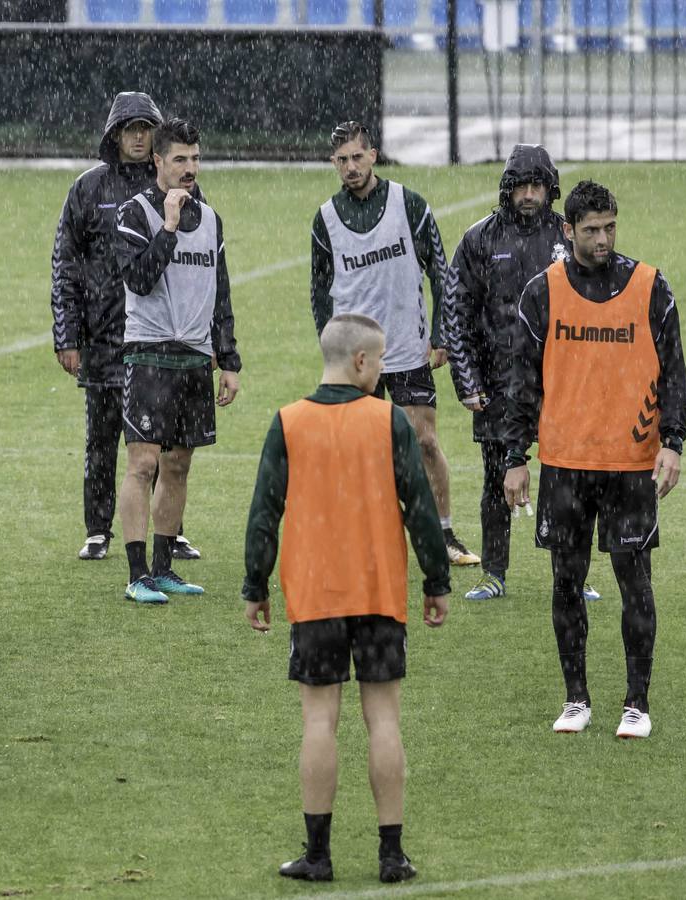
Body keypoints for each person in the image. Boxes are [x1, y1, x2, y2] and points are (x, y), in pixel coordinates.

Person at [242, 314, 450, 884]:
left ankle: (318, 854)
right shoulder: (389, 422)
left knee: (319, 722)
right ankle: (391, 855)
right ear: (361, 361)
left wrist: (254, 587)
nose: (381, 370)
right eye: (380, 360)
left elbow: (264, 512)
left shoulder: (289, 423)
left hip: (315, 595)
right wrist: (436, 580)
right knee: (383, 719)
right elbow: (421, 509)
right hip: (378, 591)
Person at [504, 180, 686, 739]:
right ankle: (576, 699)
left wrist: (672, 443)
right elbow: (522, 385)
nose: (603, 238)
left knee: (636, 582)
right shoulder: (543, 292)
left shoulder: (651, 287)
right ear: (568, 230)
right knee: (566, 583)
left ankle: (637, 702)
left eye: (610, 227)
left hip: (631, 465)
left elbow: (674, 374)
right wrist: (516, 457)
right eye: (591, 230)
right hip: (565, 465)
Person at [310, 120, 477, 568]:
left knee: (423, 442)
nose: (350, 167)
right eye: (342, 159)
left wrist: (441, 334)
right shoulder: (325, 219)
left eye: (357, 157)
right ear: (333, 163)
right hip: (354, 358)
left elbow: (441, 274)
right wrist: (332, 353)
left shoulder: (409, 205)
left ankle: (443, 534)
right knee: (358, 451)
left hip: (405, 347)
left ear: (373, 155)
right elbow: (319, 292)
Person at [444, 147, 602, 604]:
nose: (528, 195)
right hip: (497, 384)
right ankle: (494, 572)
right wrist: (466, 379)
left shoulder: (568, 238)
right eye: (520, 187)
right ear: (507, 189)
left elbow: (597, 306)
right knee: (497, 478)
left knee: (569, 481)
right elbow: (457, 313)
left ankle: (575, 574)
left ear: (550, 190)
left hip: (562, 383)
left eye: (537, 186)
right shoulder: (479, 240)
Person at [50, 91, 202, 562]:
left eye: (145, 128)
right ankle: (98, 530)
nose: (138, 137)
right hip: (103, 338)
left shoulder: (177, 190)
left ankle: (169, 533)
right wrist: (66, 335)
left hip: (162, 336)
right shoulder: (87, 189)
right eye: (130, 128)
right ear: (114, 135)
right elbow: (65, 264)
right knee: (102, 439)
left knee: (168, 442)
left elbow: (201, 265)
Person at [114, 117, 240, 604]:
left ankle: (164, 567)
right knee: (143, 463)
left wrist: (227, 359)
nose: (190, 169)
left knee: (179, 464)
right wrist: (167, 227)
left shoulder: (211, 220)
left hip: (195, 356)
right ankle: (136, 573)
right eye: (180, 160)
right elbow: (140, 280)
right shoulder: (134, 213)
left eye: (195, 158)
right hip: (148, 352)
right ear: (158, 162)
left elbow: (220, 292)